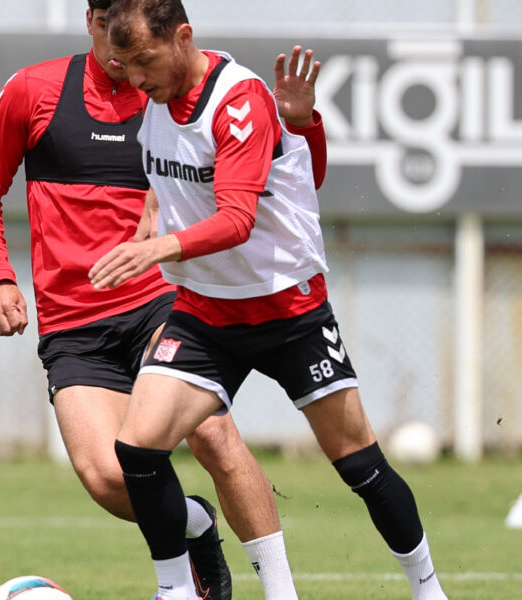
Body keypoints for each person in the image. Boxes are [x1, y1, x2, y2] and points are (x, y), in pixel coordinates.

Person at [0, 2, 327, 599]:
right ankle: (195, 523)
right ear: (91, 20)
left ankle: (276, 591)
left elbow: (276, 179)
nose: (123, 49)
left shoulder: (175, 95)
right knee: (107, 476)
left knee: (212, 436)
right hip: (72, 321)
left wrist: (304, 125)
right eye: (110, 26)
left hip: (163, 301)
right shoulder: (32, 90)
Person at [90, 1, 450, 599]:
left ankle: (428, 588)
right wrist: (151, 218)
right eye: (125, 65)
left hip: (289, 311)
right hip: (206, 311)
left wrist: (159, 249)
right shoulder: (153, 99)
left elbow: (239, 218)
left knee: (359, 465)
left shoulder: (237, 100)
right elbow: (170, 176)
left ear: (183, 37)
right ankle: (178, 591)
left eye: (145, 60)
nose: (135, 77)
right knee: (137, 448)